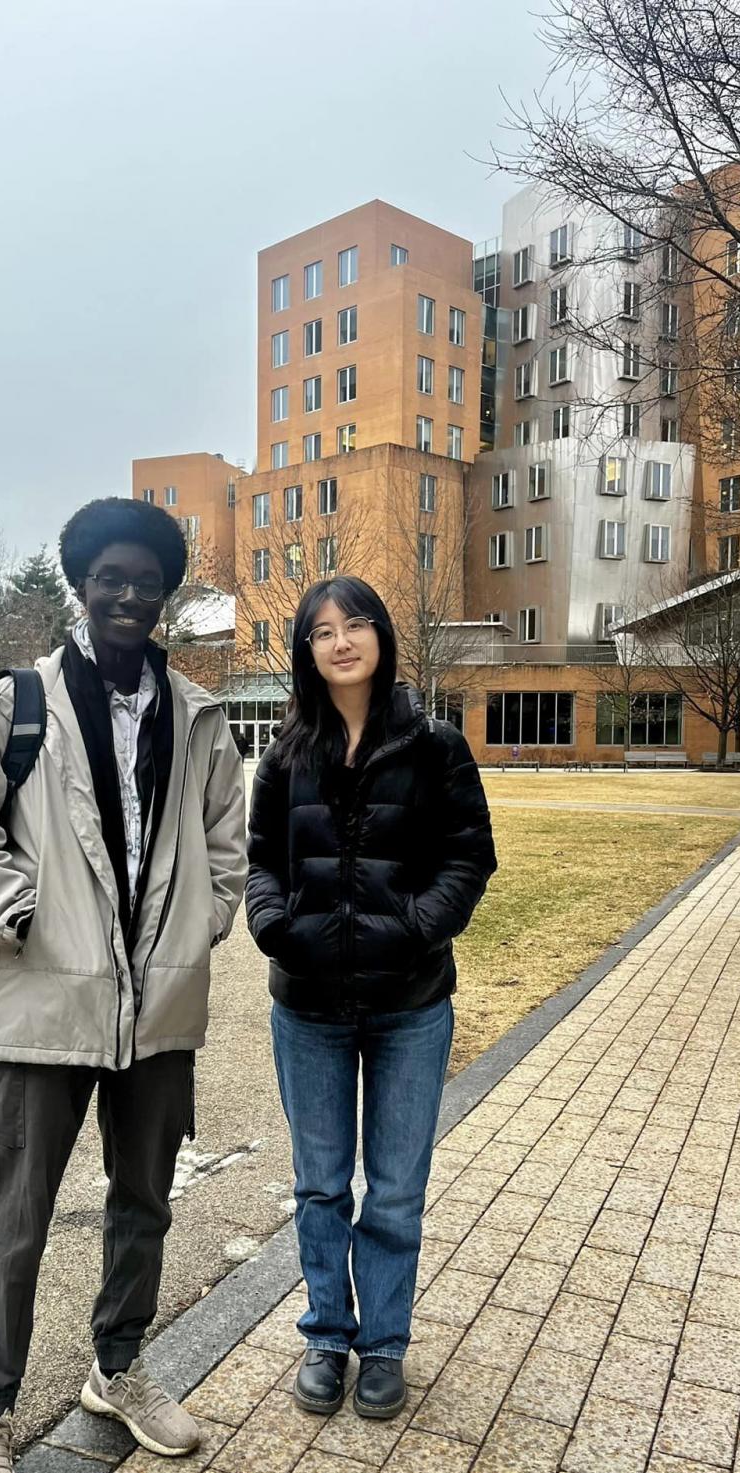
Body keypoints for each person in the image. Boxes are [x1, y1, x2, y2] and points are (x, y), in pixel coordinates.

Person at [0, 497, 247, 1473]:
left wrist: (203, 922)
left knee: (142, 1202)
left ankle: (118, 1368)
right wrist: (26, 916)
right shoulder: (17, 703)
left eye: (148, 579)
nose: (130, 594)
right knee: (15, 1223)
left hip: (160, 1013)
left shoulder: (197, 715)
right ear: (80, 584)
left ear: (167, 592)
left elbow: (228, 842)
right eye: (110, 575)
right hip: (45, 1005)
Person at [246, 576, 496, 1421]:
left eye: (356, 624)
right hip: (307, 1008)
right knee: (320, 1185)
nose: (341, 641)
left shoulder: (435, 747)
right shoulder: (284, 756)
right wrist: (277, 928)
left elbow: (469, 859)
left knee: (394, 1188)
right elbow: (259, 863)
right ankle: (326, 1334)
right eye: (322, 631)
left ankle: (383, 1343)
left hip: (410, 1005)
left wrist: (414, 928)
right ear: (306, 652)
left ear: (382, 637)